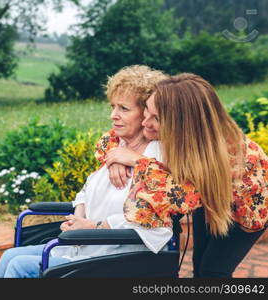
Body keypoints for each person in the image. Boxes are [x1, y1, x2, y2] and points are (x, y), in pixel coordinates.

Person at [0, 65, 171, 278]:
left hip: (120, 257)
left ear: (146, 113)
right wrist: (78, 220)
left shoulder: (155, 160)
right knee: (9, 256)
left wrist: (90, 226)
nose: (113, 115)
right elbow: (85, 192)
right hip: (84, 246)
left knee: (20, 266)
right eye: (112, 106)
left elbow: (152, 225)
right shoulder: (116, 147)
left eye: (123, 108)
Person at [106, 73, 268, 277]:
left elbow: (178, 198)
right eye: (147, 108)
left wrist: (135, 161)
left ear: (183, 123)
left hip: (244, 209)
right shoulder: (182, 131)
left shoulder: (223, 156)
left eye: (156, 118)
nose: (145, 122)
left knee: (212, 271)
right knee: (199, 263)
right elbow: (113, 136)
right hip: (209, 198)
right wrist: (115, 159)